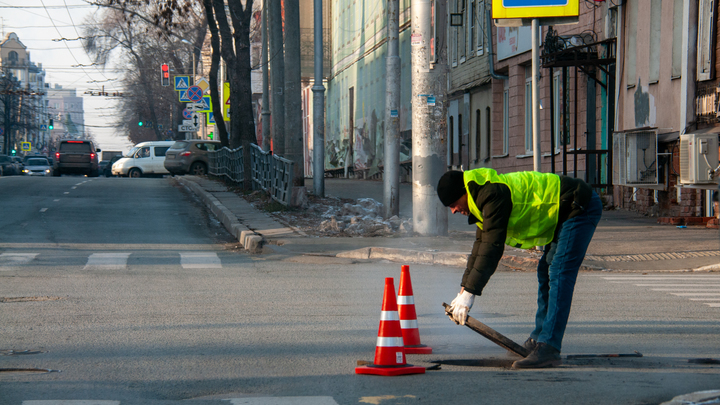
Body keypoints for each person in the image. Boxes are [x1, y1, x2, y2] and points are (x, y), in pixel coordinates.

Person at [437, 168, 602, 369]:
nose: (454, 210)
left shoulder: (491, 194)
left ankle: (549, 346)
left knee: (559, 272)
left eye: (453, 204)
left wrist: (471, 294)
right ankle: (539, 338)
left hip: (579, 205)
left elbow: (491, 247)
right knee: (546, 271)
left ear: (463, 193)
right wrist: (463, 291)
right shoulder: (481, 197)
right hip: (565, 211)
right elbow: (479, 248)